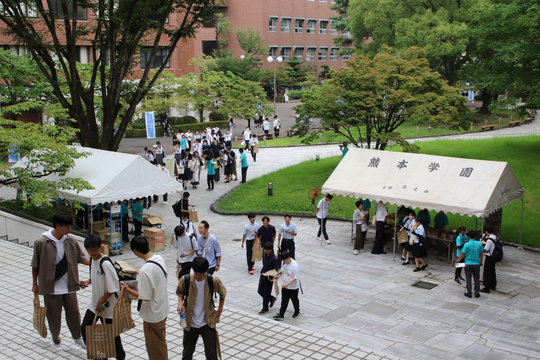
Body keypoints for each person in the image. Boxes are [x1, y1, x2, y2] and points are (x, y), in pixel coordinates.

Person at [31, 212, 89, 350]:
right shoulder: (41, 242)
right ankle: (56, 339)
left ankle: (77, 337)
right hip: (51, 287)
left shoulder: (70, 241)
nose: (70, 229)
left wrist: (98, 262)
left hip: (69, 285)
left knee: (74, 312)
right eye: (67, 226)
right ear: (58, 226)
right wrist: (35, 283)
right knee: (54, 315)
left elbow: (81, 258)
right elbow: (35, 264)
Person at [121, 236, 169, 360]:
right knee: (161, 341)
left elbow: (144, 297)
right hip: (162, 308)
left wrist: (127, 289)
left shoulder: (145, 271)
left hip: (152, 314)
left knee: (155, 348)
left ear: (135, 251)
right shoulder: (159, 259)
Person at [80, 235, 125, 359]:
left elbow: (113, 287)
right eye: (90, 250)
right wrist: (88, 282)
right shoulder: (92, 261)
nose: (92, 252)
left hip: (108, 306)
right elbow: (97, 277)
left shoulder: (105, 263)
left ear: (100, 247)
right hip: (95, 304)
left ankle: (120, 357)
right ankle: (99, 354)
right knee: (85, 328)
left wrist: (101, 301)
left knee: (113, 335)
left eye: (95, 249)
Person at [176, 257, 226, 360]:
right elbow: (180, 292)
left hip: (207, 322)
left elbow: (223, 293)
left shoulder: (212, 280)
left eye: (202, 273)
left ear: (206, 271)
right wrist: (180, 303)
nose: (199, 276)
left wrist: (219, 311)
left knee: (211, 353)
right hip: (190, 322)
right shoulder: (185, 280)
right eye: (196, 273)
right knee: (187, 352)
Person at [456, 230, 484, 298]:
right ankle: (477, 292)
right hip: (476, 263)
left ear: (468, 236)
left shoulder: (467, 244)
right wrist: (481, 261)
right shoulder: (479, 244)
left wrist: (457, 260)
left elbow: (462, 253)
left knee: (468, 278)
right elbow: (481, 253)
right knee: (476, 278)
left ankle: (469, 292)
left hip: (468, 263)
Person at [273, 251, 300, 320]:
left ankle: (297, 311)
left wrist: (288, 284)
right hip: (285, 285)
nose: (284, 261)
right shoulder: (284, 262)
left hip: (293, 287)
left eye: (284, 260)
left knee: (294, 300)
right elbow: (283, 269)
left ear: (288, 258)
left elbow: (295, 277)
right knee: (284, 300)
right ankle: (281, 314)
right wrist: (279, 275)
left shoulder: (295, 265)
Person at [257, 242, 278, 315]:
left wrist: (270, 274)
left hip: (269, 277)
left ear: (271, 250)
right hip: (263, 274)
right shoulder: (264, 254)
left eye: (267, 250)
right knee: (260, 290)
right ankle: (271, 298)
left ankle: (265, 308)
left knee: (266, 292)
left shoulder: (274, 259)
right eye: (265, 249)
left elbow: (276, 269)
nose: (266, 251)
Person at [481, 226, 497, 293]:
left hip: (489, 257)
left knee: (487, 272)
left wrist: (484, 244)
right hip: (493, 256)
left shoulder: (489, 240)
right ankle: (493, 285)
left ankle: (486, 287)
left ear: (487, 231)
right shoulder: (494, 237)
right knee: (492, 271)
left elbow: (486, 250)